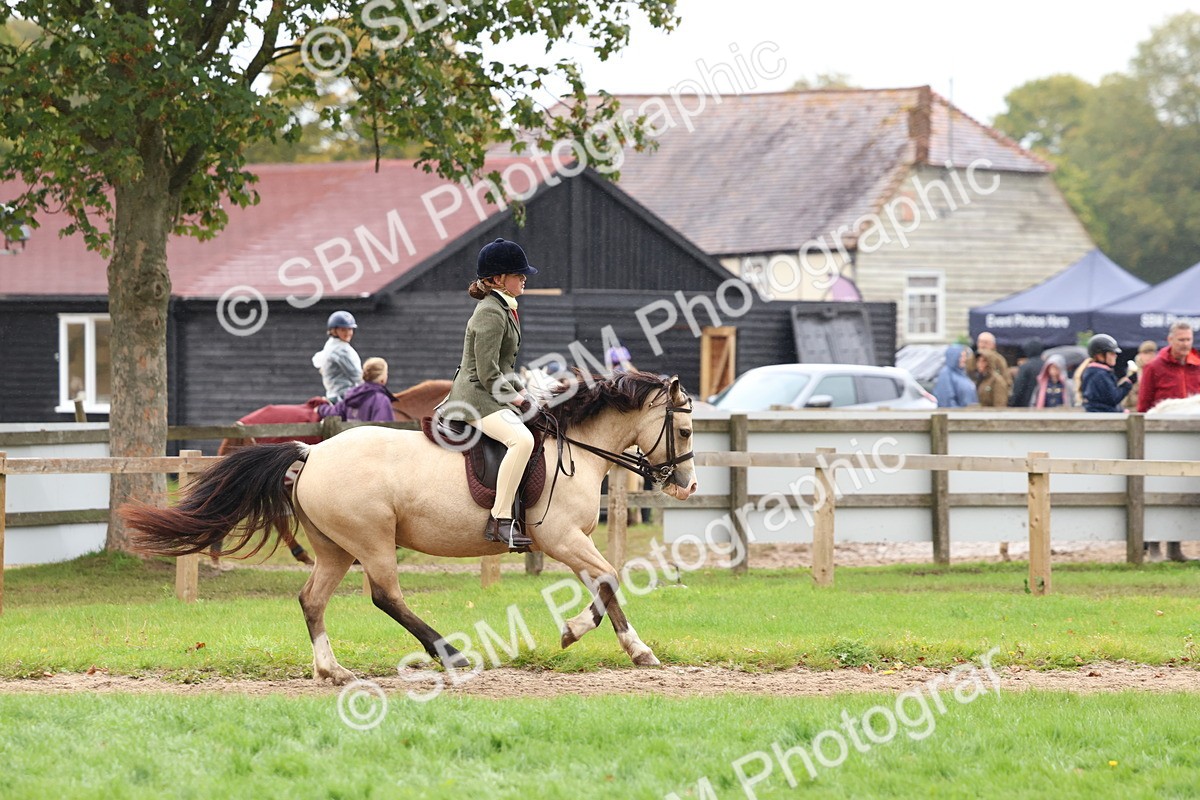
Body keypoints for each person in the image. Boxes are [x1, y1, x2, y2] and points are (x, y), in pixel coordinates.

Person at [440, 238, 539, 550]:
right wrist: (519, 400)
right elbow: (487, 372)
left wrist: (528, 392)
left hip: (490, 393)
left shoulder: (503, 308)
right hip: (475, 397)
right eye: (518, 274)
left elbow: (505, 367)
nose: (524, 278)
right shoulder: (490, 312)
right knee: (522, 440)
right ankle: (500, 521)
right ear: (498, 280)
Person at [1135, 322, 1200, 563]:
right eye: (1181, 340)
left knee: (1180, 489)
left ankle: (1175, 546)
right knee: (1157, 488)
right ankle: (1154, 546)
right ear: (1170, 340)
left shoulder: (1197, 367)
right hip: (1160, 436)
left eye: (1189, 339)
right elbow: (1143, 404)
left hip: (1187, 438)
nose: (1186, 344)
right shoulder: (1155, 368)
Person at [317, 357, 396, 422]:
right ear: (382, 378)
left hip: (351, 440)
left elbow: (334, 412)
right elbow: (384, 430)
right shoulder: (381, 400)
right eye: (386, 373)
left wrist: (320, 408)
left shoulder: (351, 395)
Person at [312, 310, 363, 403]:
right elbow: (356, 375)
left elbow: (317, 360)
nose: (348, 333)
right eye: (343, 330)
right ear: (334, 331)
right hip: (343, 398)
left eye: (350, 329)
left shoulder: (331, 344)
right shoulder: (341, 350)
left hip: (333, 395)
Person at [1080, 334, 1134, 413]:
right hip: (1102, 417)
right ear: (1100, 355)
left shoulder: (1095, 372)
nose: (1115, 356)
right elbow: (1113, 399)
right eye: (1112, 353)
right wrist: (1128, 383)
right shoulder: (1100, 374)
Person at [1123, 340, 1160, 411]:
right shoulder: (1134, 371)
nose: (1148, 356)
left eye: (1151, 353)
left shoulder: (1159, 370)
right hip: (1135, 408)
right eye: (1145, 353)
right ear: (1140, 354)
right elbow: (1128, 395)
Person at [1008, 337, 1045, 407]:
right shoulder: (1046, 365)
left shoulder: (1025, 367)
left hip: (1026, 406)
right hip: (1042, 405)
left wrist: (1013, 404)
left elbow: (1018, 388)